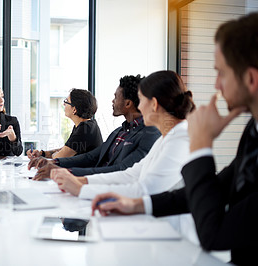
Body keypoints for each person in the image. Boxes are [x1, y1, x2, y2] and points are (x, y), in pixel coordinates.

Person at [91, 12, 258, 266]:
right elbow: (214, 188)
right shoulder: (253, 130)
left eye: (221, 73)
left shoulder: (182, 137)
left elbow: (214, 234)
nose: (217, 85)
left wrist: (201, 146)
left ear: (250, 79)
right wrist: (137, 205)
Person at [51, 70, 195, 201]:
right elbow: (131, 174)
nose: (139, 106)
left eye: (141, 100)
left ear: (154, 104)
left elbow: (145, 188)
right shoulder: (167, 138)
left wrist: (81, 188)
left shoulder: (178, 139)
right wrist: (80, 180)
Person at [28, 75, 161, 180]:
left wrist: (67, 172)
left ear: (127, 103)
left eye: (116, 97)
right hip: (94, 185)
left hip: (111, 191)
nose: (112, 101)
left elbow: (122, 170)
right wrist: (55, 163)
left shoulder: (149, 133)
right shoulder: (119, 131)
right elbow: (91, 157)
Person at [26, 88, 103, 159]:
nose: (64, 104)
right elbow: (66, 149)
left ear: (74, 109)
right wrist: (42, 153)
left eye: (66, 101)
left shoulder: (84, 129)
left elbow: (58, 158)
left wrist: (55, 155)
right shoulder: (85, 125)